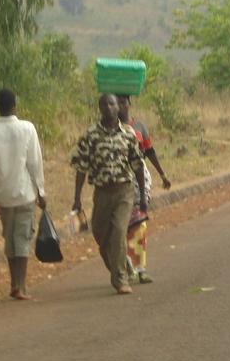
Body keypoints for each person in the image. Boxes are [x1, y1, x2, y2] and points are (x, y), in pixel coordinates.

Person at [71, 94, 147, 295]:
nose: (108, 107)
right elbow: (81, 168)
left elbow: (138, 165)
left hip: (124, 192)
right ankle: (124, 266)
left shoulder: (129, 134)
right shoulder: (90, 135)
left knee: (119, 232)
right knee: (101, 235)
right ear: (100, 108)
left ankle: (120, 280)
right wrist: (77, 198)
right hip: (102, 193)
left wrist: (142, 197)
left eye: (112, 104)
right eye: (104, 104)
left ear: (118, 107)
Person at [0, 88, 46, 301]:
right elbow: (35, 162)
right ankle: (21, 286)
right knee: (23, 238)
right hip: (25, 193)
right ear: (15, 105)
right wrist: (41, 191)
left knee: (9, 238)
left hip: (3, 195)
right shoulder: (27, 128)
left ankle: (13, 282)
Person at [116, 95, 171, 284]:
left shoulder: (139, 126)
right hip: (119, 180)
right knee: (121, 227)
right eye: (116, 103)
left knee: (139, 225)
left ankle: (140, 269)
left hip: (140, 179)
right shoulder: (111, 129)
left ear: (129, 104)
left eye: (123, 102)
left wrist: (163, 175)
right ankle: (127, 267)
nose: (120, 106)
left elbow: (149, 151)